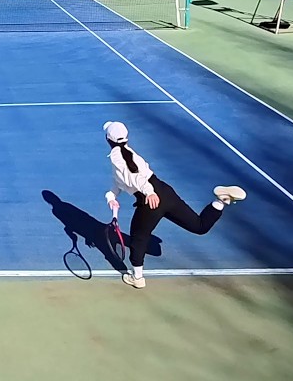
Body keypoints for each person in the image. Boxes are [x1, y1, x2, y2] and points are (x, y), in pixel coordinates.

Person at [102, 121, 246, 289]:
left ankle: (137, 278)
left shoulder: (116, 156)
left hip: (150, 200)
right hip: (165, 191)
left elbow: (134, 177)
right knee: (199, 226)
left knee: (138, 237)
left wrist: (149, 192)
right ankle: (221, 201)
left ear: (108, 139)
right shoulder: (128, 152)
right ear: (126, 138)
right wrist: (111, 196)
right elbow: (121, 180)